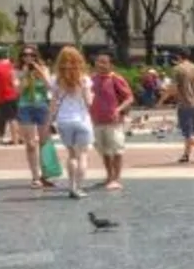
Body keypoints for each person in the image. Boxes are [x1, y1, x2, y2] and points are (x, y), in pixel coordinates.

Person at [44, 46, 95, 200]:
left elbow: (53, 103)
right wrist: (92, 95)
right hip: (82, 120)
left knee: (71, 154)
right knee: (83, 155)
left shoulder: (56, 80)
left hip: (64, 120)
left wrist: (49, 121)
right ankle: (78, 188)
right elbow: (89, 103)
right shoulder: (84, 79)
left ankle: (71, 186)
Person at [90, 52, 134, 191]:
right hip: (97, 120)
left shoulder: (116, 79)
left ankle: (116, 178)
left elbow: (129, 97)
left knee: (116, 149)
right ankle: (109, 176)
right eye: (98, 61)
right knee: (104, 150)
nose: (100, 64)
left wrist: (119, 109)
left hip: (113, 121)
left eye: (104, 62)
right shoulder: (92, 79)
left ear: (110, 64)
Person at [15, 47, 55, 188]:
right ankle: (35, 177)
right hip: (25, 107)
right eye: (25, 55)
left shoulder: (43, 69)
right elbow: (17, 91)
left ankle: (45, 175)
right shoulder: (18, 71)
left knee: (44, 142)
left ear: (36, 56)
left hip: (42, 106)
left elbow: (50, 87)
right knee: (31, 144)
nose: (28, 57)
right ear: (21, 57)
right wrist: (25, 75)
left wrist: (41, 73)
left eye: (32, 55)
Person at [168, 54, 194, 164]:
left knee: (187, 132)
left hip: (185, 103)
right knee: (190, 131)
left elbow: (173, 88)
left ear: (179, 57)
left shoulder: (177, 69)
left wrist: (162, 99)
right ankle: (186, 155)